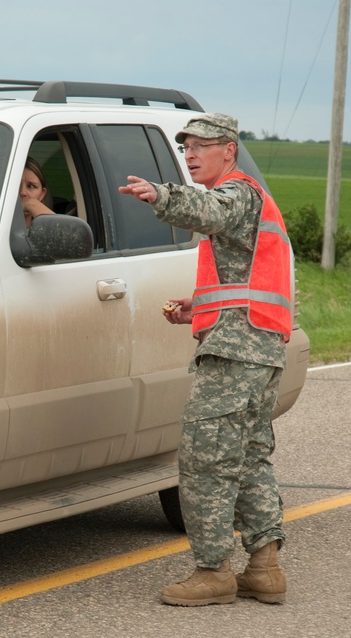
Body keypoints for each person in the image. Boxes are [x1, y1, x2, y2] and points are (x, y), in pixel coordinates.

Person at [119, 112, 293, 607]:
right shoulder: (250, 201)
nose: (190, 154)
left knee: (206, 458)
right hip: (257, 348)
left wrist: (163, 195)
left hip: (236, 353)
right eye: (187, 146)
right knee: (249, 456)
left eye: (201, 145)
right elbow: (247, 282)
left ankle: (213, 571)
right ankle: (264, 567)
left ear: (229, 151)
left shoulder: (237, 194)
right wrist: (201, 306)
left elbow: (211, 212)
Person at [20, 156, 54, 226]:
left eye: (31, 186)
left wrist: (30, 203)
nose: (22, 192)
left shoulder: (45, 235)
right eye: (16, 185)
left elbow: (63, 232)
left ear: (42, 194)